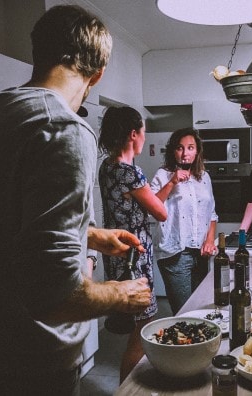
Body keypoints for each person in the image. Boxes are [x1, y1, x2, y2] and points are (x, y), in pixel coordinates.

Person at [0, 6, 152, 395]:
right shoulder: (63, 128)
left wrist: (92, 236)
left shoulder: (7, 110)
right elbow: (54, 293)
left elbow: (15, 221)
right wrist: (122, 294)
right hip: (32, 360)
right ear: (96, 74)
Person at [98, 106, 167, 383]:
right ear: (132, 134)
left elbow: (145, 203)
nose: (144, 139)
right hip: (135, 258)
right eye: (143, 133)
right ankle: (127, 389)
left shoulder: (108, 168)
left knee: (136, 325)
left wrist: (170, 183)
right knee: (143, 327)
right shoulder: (131, 173)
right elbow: (160, 212)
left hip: (116, 255)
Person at [150, 127, 218, 315]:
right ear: (174, 151)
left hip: (201, 255)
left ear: (197, 151)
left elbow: (211, 213)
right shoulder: (162, 175)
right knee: (185, 313)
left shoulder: (204, 177)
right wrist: (172, 182)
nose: (185, 153)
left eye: (190, 148)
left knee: (201, 310)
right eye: (180, 148)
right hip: (175, 253)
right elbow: (153, 208)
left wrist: (210, 240)